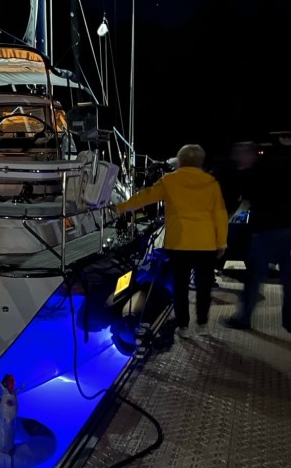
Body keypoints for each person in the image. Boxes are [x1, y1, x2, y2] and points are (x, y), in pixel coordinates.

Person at [113, 144, 228, 339]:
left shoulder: (170, 180)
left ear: (180, 161)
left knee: (180, 287)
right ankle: (202, 324)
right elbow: (220, 214)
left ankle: (183, 327)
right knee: (204, 287)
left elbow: (144, 197)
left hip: (179, 245)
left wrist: (120, 208)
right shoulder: (211, 183)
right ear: (201, 162)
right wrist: (222, 242)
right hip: (206, 245)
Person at [223, 140, 291, 332]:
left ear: (248, 154)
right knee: (288, 278)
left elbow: (243, 197)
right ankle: (289, 320)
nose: (237, 158)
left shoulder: (254, 173)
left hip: (265, 231)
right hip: (286, 228)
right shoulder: (277, 167)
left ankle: (243, 319)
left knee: (254, 277)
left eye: (239, 154)